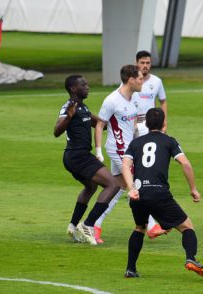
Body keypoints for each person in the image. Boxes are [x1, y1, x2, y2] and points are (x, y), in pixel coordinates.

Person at [121, 107, 203, 278]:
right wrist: (193, 189)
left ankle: (130, 269)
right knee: (187, 227)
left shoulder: (135, 143)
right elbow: (185, 164)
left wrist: (131, 188)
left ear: (146, 124)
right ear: (163, 123)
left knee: (140, 227)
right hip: (159, 194)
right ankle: (191, 258)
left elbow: (125, 165)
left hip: (138, 194)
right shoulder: (169, 141)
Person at [54, 75, 119, 246]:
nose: (88, 86)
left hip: (76, 156)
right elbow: (56, 131)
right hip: (78, 156)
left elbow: (101, 125)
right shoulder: (69, 107)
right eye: (83, 84)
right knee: (113, 185)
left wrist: (118, 116)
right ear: (73, 89)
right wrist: (68, 117)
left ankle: (73, 225)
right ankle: (88, 224)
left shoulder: (83, 108)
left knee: (91, 186)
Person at [93, 65, 142, 244]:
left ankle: (94, 224)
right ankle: (151, 225)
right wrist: (98, 152)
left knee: (118, 187)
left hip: (129, 148)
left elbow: (134, 121)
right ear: (130, 79)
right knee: (137, 181)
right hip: (117, 148)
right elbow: (100, 125)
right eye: (140, 78)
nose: (142, 81)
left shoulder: (135, 98)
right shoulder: (112, 100)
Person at [132, 50, 169, 239]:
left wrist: (164, 123)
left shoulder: (157, 82)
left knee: (144, 176)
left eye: (148, 63)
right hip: (134, 126)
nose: (145, 66)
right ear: (137, 63)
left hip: (151, 126)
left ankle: (153, 225)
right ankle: (94, 223)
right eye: (142, 62)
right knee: (133, 180)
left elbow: (163, 101)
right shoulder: (131, 81)